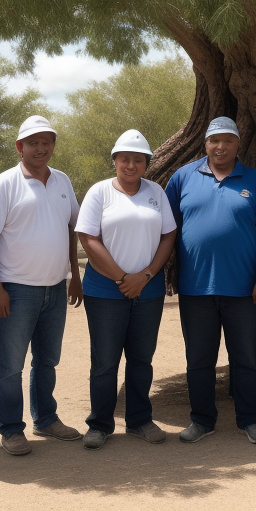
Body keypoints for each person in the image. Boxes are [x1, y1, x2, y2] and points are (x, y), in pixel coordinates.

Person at [165, 116, 256, 445]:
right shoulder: (182, 177)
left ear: (238, 144)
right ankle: (202, 420)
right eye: (214, 140)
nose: (221, 146)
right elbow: (166, 228)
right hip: (195, 288)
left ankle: (249, 420)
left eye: (228, 140)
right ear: (205, 144)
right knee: (199, 359)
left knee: (245, 358)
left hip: (245, 289)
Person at [0, 115, 83, 456]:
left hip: (55, 288)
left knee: (47, 361)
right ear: (19, 147)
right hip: (16, 290)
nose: (41, 148)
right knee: (10, 365)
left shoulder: (62, 181)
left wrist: (74, 275)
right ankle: (10, 429)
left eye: (46, 142)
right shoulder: (4, 185)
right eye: (33, 142)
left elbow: (71, 228)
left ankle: (45, 419)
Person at [74, 129, 177, 450]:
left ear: (146, 164)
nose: (131, 165)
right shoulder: (100, 192)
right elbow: (88, 238)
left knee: (141, 359)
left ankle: (139, 420)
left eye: (138, 160)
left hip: (147, 291)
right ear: (115, 161)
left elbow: (168, 236)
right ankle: (100, 424)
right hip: (105, 291)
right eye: (124, 159)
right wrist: (122, 278)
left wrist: (145, 276)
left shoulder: (156, 192)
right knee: (105, 361)